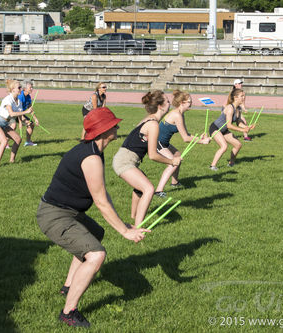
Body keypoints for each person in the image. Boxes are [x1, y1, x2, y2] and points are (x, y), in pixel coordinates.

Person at [37, 107, 148, 328]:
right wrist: (125, 232)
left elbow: (102, 193)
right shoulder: (90, 157)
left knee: (96, 233)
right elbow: (100, 202)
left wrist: (121, 222)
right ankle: (69, 312)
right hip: (55, 215)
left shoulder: (94, 150)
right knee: (96, 254)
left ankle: (68, 285)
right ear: (104, 130)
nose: (118, 127)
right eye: (114, 124)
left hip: (68, 212)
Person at [112, 90, 182, 227]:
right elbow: (153, 155)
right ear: (161, 106)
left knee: (140, 186)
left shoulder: (149, 119)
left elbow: (155, 145)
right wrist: (172, 161)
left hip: (125, 158)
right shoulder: (153, 124)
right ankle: (139, 228)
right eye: (167, 101)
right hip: (124, 161)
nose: (170, 103)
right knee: (149, 189)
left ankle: (134, 217)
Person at [155, 90, 210, 194]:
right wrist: (202, 142)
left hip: (163, 142)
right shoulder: (177, 115)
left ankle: (174, 183)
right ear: (182, 103)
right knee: (174, 162)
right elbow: (185, 138)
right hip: (157, 142)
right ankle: (159, 190)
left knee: (178, 155)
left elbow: (187, 134)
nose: (191, 103)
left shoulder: (181, 114)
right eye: (189, 101)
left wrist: (201, 139)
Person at [0, 79, 34, 168]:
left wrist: (26, 122)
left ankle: (12, 161)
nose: (21, 89)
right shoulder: (8, 99)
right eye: (19, 87)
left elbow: (20, 117)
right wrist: (26, 111)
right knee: (4, 141)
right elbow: (12, 113)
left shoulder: (19, 101)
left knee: (18, 139)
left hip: (5, 124)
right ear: (13, 89)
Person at [209, 88, 255, 171]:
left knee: (238, 145)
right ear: (235, 97)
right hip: (215, 128)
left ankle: (231, 163)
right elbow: (229, 125)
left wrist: (247, 127)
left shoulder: (238, 109)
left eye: (244, 96)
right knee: (224, 146)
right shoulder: (230, 108)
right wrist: (242, 130)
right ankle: (212, 166)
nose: (244, 98)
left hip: (224, 130)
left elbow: (238, 123)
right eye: (242, 96)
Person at [17, 80, 39, 147]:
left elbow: (30, 109)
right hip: (14, 113)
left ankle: (28, 141)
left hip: (21, 113)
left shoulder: (28, 96)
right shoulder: (20, 96)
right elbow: (18, 110)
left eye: (32, 87)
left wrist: (35, 119)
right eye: (30, 87)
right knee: (12, 127)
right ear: (24, 89)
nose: (32, 89)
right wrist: (22, 121)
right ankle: (5, 143)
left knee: (31, 124)